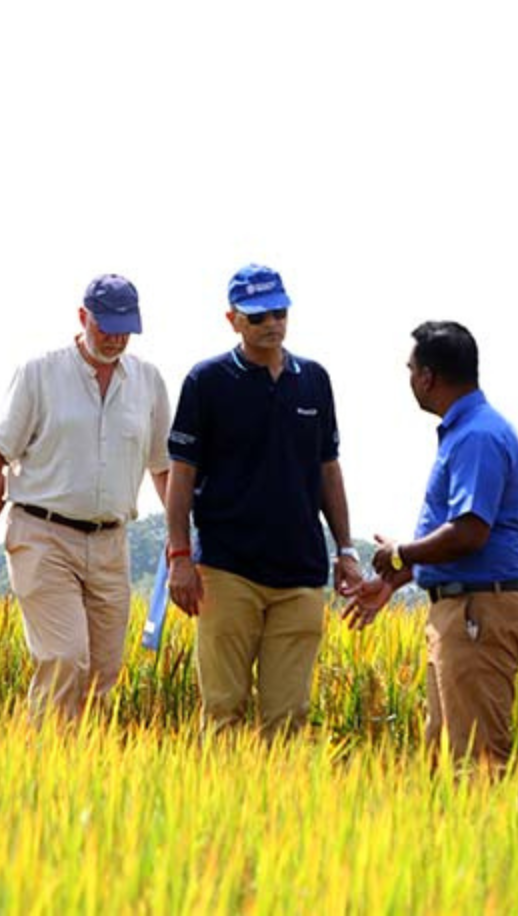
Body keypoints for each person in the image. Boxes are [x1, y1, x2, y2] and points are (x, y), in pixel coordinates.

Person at [0, 275, 172, 720]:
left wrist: (181, 545)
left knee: (103, 674)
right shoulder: (39, 373)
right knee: (64, 659)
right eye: (106, 327)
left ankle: (83, 777)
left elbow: (164, 468)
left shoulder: (148, 382)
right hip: (43, 534)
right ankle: (42, 771)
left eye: (125, 329)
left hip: (112, 542)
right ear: (83, 318)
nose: (116, 339)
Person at [165, 264, 360, 736]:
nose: (271, 324)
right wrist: (179, 556)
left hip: (300, 573)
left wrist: (347, 550)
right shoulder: (206, 381)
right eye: (257, 317)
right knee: (223, 710)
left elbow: (327, 469)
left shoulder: (314, 380)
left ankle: (278, 808)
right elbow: (182, 474)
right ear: (233, 320)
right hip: (228, 570)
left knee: (289, 717)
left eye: (279, 312)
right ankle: (220, 807)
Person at [345, 321, 518, 769]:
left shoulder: (478, 436)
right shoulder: (469, 431)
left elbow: (470, 531)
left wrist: (401, 553)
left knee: (476, 763)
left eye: (411, 370)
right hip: (463, 609)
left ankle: (493, 839)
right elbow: (465, 537)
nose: (409, 379)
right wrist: (399, 579)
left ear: (428, 376)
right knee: (444, 756)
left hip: (478, 613)